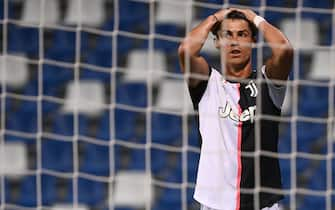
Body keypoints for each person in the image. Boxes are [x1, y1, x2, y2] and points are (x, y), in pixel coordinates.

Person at [178, 8, 293, 210]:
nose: (234, 42)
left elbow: (284, 50)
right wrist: (215, 18)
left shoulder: (268, 82)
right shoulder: (208, 83)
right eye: (227, 35)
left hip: (263, 204)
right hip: (216, 204)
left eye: (242, 34)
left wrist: (254, 18)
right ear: (216, 42)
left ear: (253, 41)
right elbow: (185, 51)